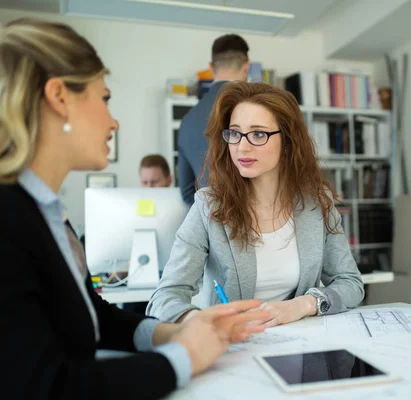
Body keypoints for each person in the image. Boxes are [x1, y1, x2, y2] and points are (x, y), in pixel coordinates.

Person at [0, 18, 270, 399]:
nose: (113, 121)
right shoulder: (9, 222)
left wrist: (172, 332)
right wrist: (183, 356)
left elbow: (94, 317)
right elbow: (48, 387)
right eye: (105, 98)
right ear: (59, 97)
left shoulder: (43, 212)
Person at [147, 82, 365, 326]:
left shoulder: (317, 203)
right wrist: (201, 321)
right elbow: (164, 298)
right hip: (236, 349)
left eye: (259, 134)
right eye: (235, 133)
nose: (242, 146)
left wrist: (304, 304)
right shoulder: (208, 206)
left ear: (288, 141)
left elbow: (351, 283)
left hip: (306, 350)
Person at [178, 33, 250, 205]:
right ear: (246, 66)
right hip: (261, 222)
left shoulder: (187, 121)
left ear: (211, 67)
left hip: (211, 223)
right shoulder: (259, 108)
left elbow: (188, 193)